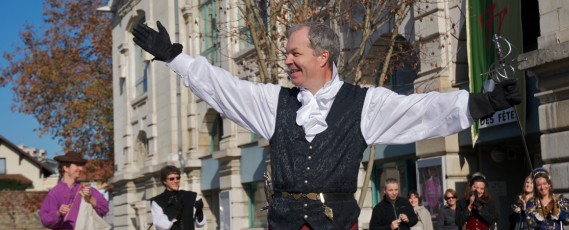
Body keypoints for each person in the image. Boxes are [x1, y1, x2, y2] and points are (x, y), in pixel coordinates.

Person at [132, 21, 520, 229]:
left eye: (294, 53)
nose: (286, 61)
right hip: (283, 224)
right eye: (286, 54)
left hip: (338, 224)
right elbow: (224, 88)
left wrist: (481, 103)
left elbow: (421, 110)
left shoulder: (364, 102)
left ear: (323, 56)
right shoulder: (274, 103)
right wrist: (175, 58)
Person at [39, 151, 109, 229]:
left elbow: (104, 209)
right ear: (66, 168)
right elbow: (45, 220)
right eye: (77, 165)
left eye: (81, 165)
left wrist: (91, 198)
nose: (81, 168)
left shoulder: (88, 190)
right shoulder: (54, 193)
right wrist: (58, 213)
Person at [150, 165, 206, 230]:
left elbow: (200, 224)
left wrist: (199, 212)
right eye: (172, 179)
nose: (176, 181)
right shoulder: (157, 201)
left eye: (178, 178)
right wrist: (173, 213)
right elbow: (159, 225)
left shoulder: (192, 196)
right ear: (164, 181)